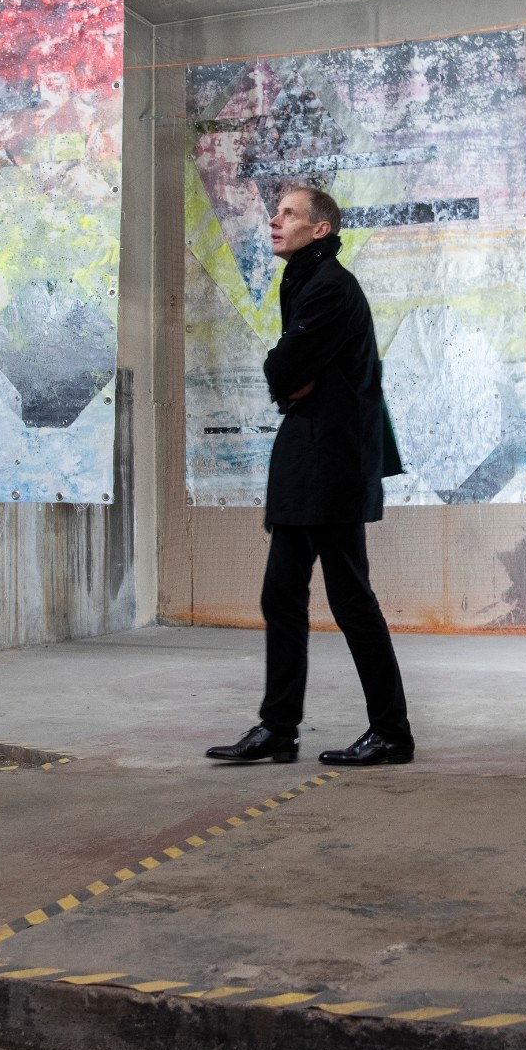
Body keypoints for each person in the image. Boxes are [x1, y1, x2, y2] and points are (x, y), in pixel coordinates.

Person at [205, 184, 415, 769]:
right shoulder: (303, 280)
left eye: (289, 213)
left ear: (320, 229)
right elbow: (291, 376)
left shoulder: (329, 286)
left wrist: (292, 375)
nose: (275, 221)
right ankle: (278, 729)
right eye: (276, 212)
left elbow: (282, 367)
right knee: (282, 594)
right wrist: (294, 378)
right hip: (310, 460)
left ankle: (392, 732)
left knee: (351, 600)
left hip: (333, 464)